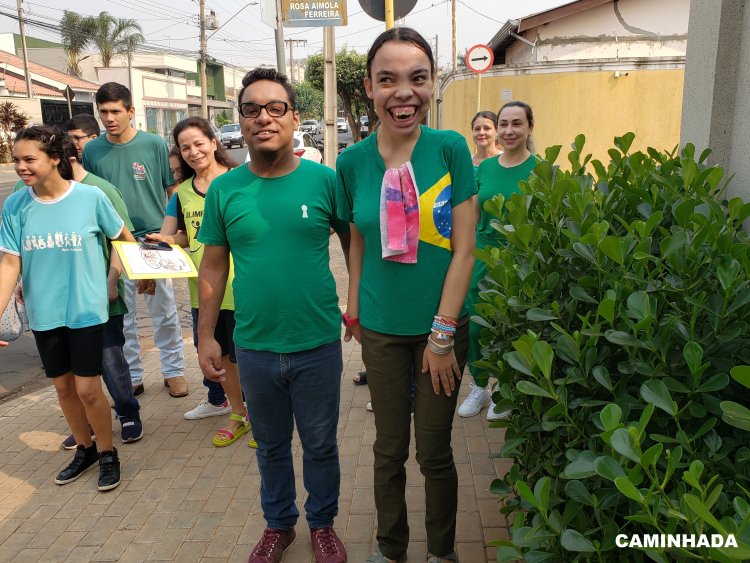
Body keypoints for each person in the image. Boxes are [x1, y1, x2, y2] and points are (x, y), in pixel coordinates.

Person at [198, 67, 349, 563]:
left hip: (317, 343)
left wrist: (358, 308)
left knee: (321, 444)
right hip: (255, 347)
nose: (263, 117)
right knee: (270, 446)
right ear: (240, 121)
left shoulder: (326, 181)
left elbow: (355, 247)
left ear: (294, 118)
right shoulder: (225, 190)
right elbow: (213, 268)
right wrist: (205, 337)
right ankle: (279, 525)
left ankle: (322, 525)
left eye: (275, 107)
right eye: (251, 109)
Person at [336, 28, 477, 563]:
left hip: (440, 328)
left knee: (434, 452)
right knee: (388, 450)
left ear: (431, 84)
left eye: (417, 78)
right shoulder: (351, 164)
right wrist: (354, 304)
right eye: (387, 79)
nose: (404, 92)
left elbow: (465, 250)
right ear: (369, 89)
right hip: (380, 328)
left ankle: (442, 552)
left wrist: (442, 335)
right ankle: (390, 548)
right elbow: (355, 238)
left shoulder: (450, 149)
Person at [0, 125, 137, 491]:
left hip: (87, 309)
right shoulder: (15, 205)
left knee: (88, 389)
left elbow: (123, 240)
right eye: (16, 160)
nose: (21, 167)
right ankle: (85, 448)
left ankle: (108, 453)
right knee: (63, 389)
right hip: (45, 312)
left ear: (55, 158)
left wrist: (115, 277)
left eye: (29, 159)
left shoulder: (90, 198)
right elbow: (10, 263)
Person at [147, 116, 252, 448]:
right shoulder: (181, 195)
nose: (193, 152)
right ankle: (239, 414)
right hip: (204, 291)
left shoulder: (242, 181)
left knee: (250, 357)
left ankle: (263, 415)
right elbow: (175, 234)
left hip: (246, 287)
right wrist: (164, 244)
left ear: (213, 141)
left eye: (198, 143)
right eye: (184, 147)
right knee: (221, 358)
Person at [82, 82, 187, 398]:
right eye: (103, 112)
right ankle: (133, 376)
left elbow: (172, 192)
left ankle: (174, 372)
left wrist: (172, 235)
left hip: (153, 239)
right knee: (123, 316)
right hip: (115, 243)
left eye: (116, 110)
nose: (109, 117)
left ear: (130, 111)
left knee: (165, 311)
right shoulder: (92, 150)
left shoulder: (154, 144)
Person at [462, 101, 538, 421]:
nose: (509, 130)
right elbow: (472, 217)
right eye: (504, 123)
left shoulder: (541, 170)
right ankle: (480, 387)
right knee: (476, 328)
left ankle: (505, 390)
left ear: (529, 128)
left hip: (520, 260)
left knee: (513, 328)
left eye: (516, 124)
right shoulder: (484, 169)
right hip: (483, 257)